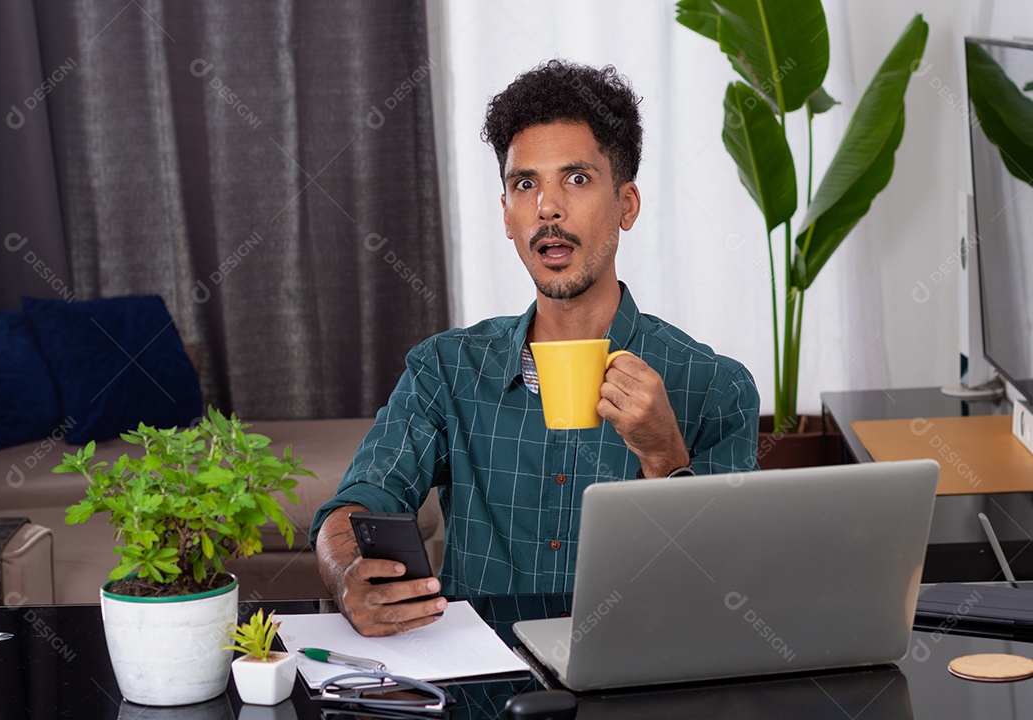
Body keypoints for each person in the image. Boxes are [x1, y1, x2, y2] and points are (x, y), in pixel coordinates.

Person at [312, 60, 760, 636]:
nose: (547, 208)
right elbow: (353, 507)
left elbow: (725, 594)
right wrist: (349, 573)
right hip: (481, 688)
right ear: (506, 214)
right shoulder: (444, 372)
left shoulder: (715, 387)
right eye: (526, 184)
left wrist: (664, 457)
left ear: (626, 205)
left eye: (576, 179)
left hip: (637, 682)